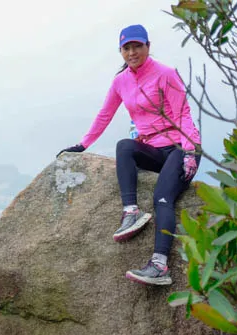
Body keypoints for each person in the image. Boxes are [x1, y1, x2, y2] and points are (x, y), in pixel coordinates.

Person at [57, 24, 201, 286]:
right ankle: (131, 212)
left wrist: (190, 151)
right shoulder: (121, 81)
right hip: (155, 148)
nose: (133, 52)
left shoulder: (166, 74)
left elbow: (183, 113)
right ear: (121, 51)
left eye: (138, 46)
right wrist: (82, 145)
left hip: (180, 147)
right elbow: (105, 114)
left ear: (148, 46)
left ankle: (159, 265)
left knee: (162, 197)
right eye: (127, 47)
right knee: (125, 146)